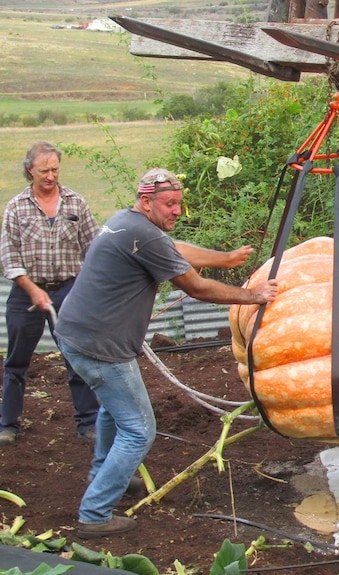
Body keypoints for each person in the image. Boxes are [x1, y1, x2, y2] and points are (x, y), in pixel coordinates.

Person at [54, 167, 278, 539]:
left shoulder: (128, 223)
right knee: (139, 430)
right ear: (146, 202)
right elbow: (197, 288)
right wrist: (253, 296)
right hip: (101, 348)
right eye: (169, 204)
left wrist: (224, 258)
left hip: (79, 336)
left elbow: (174, 249)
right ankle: (95, 513)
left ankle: (106, 478)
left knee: (113, 412)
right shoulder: (142, 232)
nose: (176, 210)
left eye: (179, 204)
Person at [0, 141, 101, 446]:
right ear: (30, 170)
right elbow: (8, 256)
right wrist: (31, 289)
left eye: (55, 169)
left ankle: (88, 424)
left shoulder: (75, 203)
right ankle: (8, 425)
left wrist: (84, 286)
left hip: (69, 290)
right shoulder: (17, 207)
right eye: (44, 170)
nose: (50, 175)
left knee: (77, 357)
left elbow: (94, 247)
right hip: (25, 293)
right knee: (16, 362)